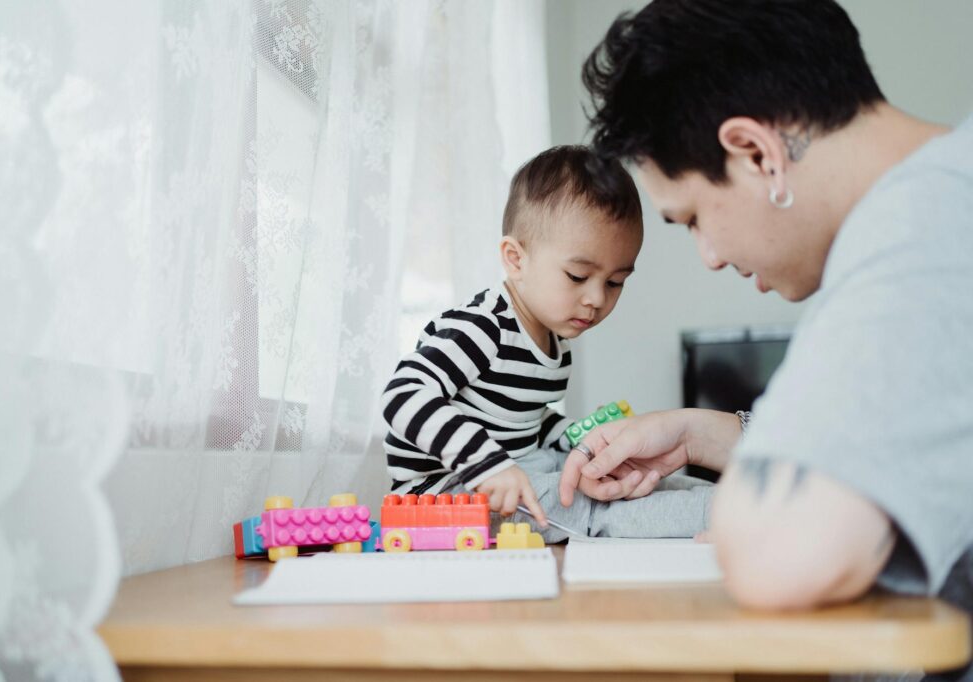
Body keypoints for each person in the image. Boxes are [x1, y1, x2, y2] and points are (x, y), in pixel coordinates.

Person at [561, 1, 972, 677]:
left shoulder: (917, 238)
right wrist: (706, 435)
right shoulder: (949, 190)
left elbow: (780, 554)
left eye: (693, 218)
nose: (710, 256)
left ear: (756, 153)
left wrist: (750, 508)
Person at [380, 145, 714, 542]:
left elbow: (528, 421)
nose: (597, 298)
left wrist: (581, 440)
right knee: (589, 505)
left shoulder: (553, 339)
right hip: (445, 493)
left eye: (615, 282)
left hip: (523, 467)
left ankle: (728, 500)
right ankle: (719, 514)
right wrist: (486, 464)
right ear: (515, 259)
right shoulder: (482, 327)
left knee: (623, 479)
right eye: (577, 276)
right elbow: (402, 395)